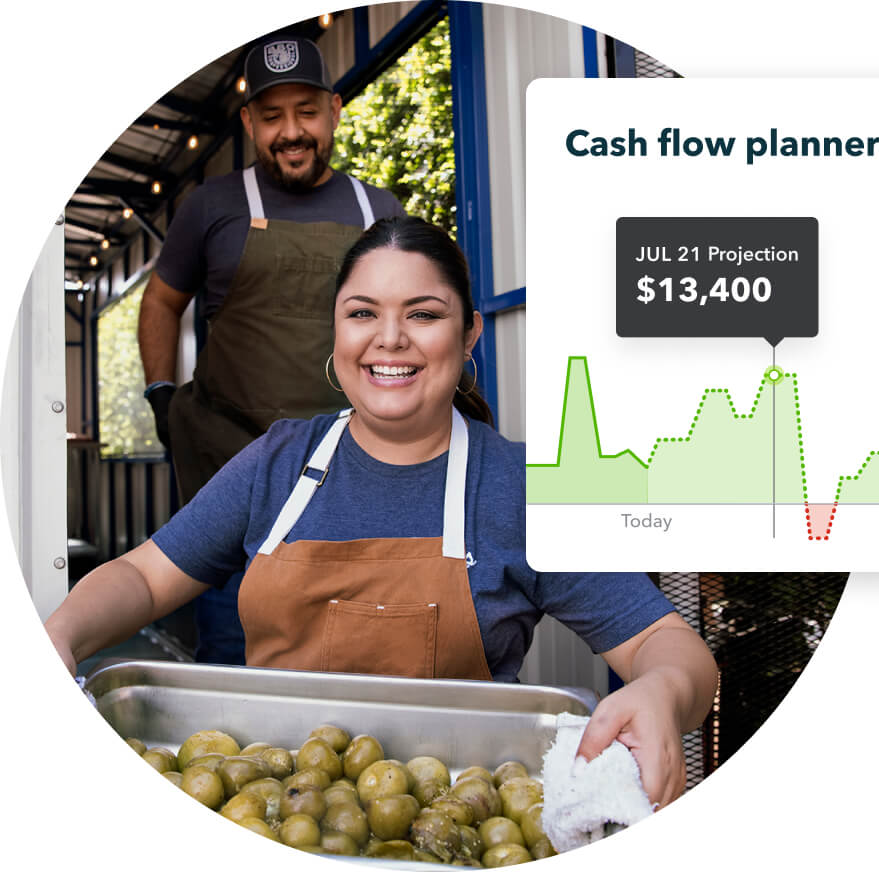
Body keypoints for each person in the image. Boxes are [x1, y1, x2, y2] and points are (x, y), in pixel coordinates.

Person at [48, 217, 718, 807]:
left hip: (458, 822)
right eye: (362, 313)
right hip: (271, 812)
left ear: (469, 333)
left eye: (423, 314)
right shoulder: (278, 461)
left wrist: (661, 689)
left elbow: (670, 647)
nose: (390, 339)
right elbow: (142, 577)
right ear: (336, 331)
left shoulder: (519, 487)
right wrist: (60, 634)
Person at [137, 35, 404, 664]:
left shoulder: (381, 210)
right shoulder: (212, 206)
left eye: (306, 112)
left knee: (353, 660)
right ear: (250, 122)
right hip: (236, 482)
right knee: (234, 662)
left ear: (335, 111)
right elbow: (159, 302)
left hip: (353, 484)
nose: (292, 132)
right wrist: (159, 395)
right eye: (273, 116)